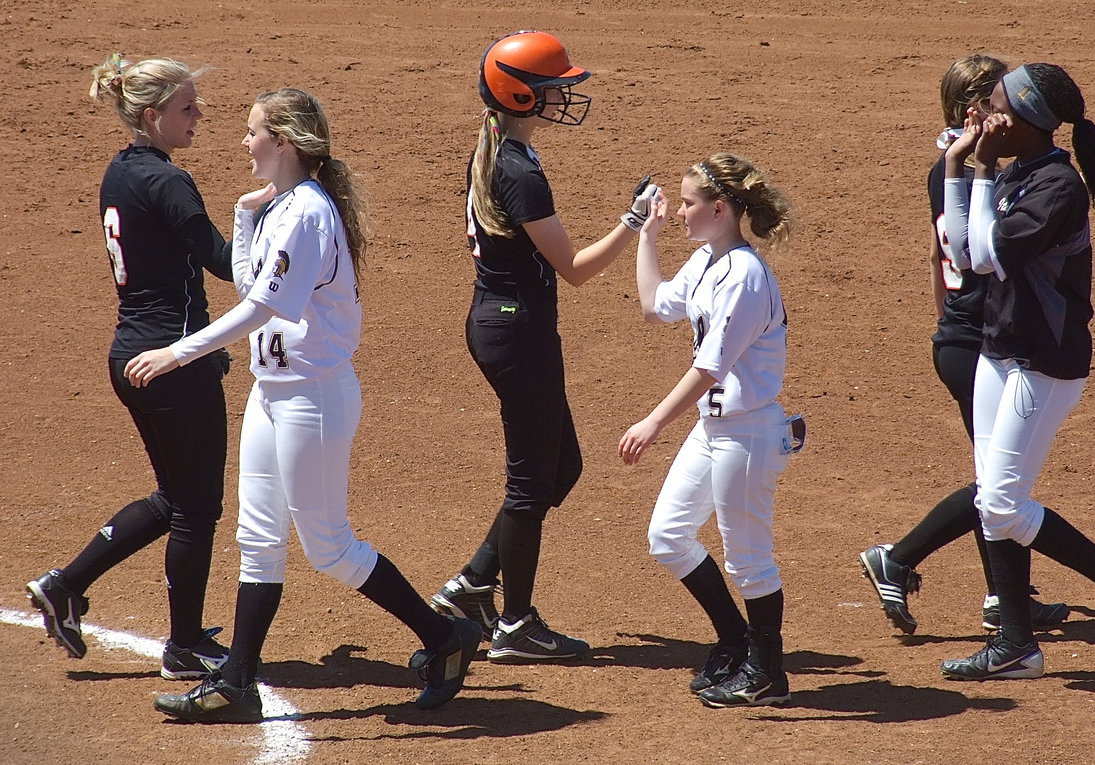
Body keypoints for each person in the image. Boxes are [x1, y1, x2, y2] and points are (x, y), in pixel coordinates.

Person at [129, 87, 480, 721]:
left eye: (252, 131)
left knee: (328, 547)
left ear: (283, 141)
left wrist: (178, 354)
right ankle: (237, 681)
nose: (242, 141)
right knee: (257, 538)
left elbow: (264, 308)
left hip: (312, 398)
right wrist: (241, 217)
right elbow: (249, 284)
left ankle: (444, 636)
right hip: (273, 393)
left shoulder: (306, 213)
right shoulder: (280, 208)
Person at [428, 30, 657, 664]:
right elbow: (577, 269)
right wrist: (634, 220)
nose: (562, 96)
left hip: (506, 325)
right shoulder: (517, 171)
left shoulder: (500, 150)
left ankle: (476, 581)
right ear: (520, 95)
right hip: (517, 333)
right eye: (553, 87)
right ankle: (515, 624)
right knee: (531, 484)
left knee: (562, 468)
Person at [938, 63, 1095, 680]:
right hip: (999, 350)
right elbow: (962, 253)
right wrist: (960, 167)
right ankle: (1015, 644)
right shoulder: (1021, 172)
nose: (986, 113)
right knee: (991, 504)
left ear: (1031, 123)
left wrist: (979, 169)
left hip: (1046, 364)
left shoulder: (1056, 188)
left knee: (1004, 505)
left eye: (998, 106)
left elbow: (986, 253)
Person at [26, 53, 232, 681]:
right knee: (197, 508)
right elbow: (226, 263)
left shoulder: (121, 171)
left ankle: (65, 585)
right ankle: (186, 644)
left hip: (132, 356)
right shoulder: (169, 182)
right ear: (152, 116)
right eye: (186, 109)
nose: (199, 117)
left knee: (176, 497)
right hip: (173, 363)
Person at [858, 55, 1069, 636]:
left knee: (999, 479)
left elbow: (936, 256)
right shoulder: (982, 170)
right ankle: (898, 559)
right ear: (975, 110)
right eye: (999, 103)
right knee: (998, 485)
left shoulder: (949, 168)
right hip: (982, 341)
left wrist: (947, 324)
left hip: (966, 335)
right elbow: (978, 251)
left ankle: (1007, 599)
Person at [618, 153, 793, 708]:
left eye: (689, 203)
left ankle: (767, 672)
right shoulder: (706, 261)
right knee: (668, 535)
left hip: (747, 433)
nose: (683, 210)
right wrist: (649, 232)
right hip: (715, 427)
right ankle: (736, 642)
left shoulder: (743, 275)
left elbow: (711, 367)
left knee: (748, 558)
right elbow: (653, 307)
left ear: (720, 208)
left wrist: (652, 422)